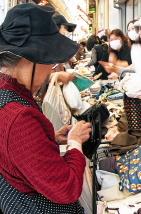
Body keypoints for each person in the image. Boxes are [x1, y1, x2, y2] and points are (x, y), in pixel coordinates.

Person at [0, 3, 92, 213]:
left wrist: (46, 137)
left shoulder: (7, 94)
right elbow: (67, 188)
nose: (51, 67)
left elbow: (18, 158)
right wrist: (75, 142)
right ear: (33, 59)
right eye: (49, 61)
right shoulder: (18, 117)